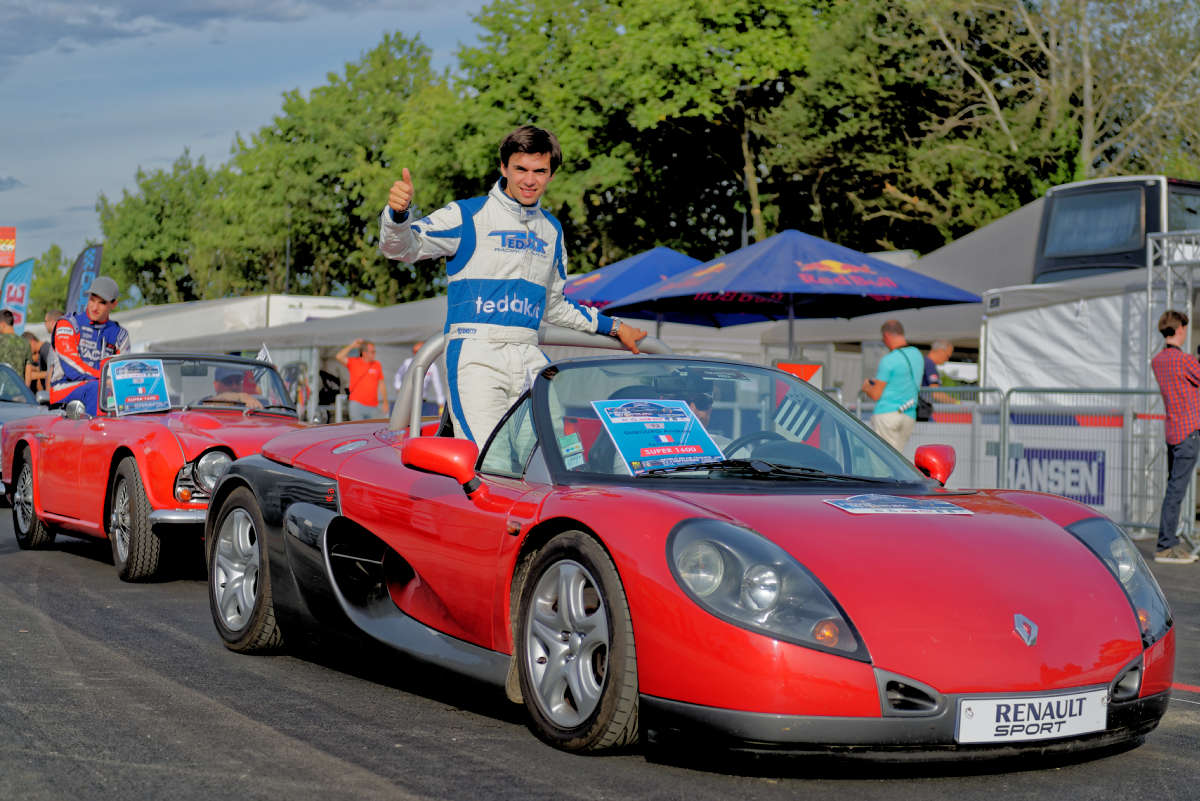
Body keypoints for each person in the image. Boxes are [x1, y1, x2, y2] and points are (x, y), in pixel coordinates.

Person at [379, 125, 647, 444]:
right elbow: (401, 249)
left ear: (551, 174)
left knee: (553, 454)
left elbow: (555, 306)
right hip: (476, 354)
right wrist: (398, 215)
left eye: (539, 171)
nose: (529, 180)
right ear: (503, 167)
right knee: (488, 459)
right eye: (520, 169)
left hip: (529, 355)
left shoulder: (552, 231)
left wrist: (614, 327)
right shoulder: (468, 214)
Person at [1149, 310, 1200, 564]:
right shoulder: (1185, 361)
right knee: (1176, 492)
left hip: (1173, 431)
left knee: (1173, 490)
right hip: (1189, 433)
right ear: (1179, 329)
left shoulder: (1158, 361)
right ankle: (1166, 544)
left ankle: (1168, 542)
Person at [49, 275, 130, 414]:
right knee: (97, 389)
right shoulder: (68, 324)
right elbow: (71, 367)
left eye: (102, 303)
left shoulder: (120, 335)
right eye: (92, 300)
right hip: (63, 389)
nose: (94, 307)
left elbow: (122, 372)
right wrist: (104, 380)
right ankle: (97, 428)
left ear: (113, 304)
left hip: (102, 391)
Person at [860, 319, 922, 452]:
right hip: (909, 414)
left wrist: (867, 387)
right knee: (898, 458)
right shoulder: (917, 355)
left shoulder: (888, 360)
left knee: (882, 458)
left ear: (886, 335)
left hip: (887, 414)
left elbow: (876, 394)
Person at [336, 338, 386, 420]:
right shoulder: (354, 362)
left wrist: (385, 402)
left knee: (373, 428)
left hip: (373, 406)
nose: (374, 354)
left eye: (374, 351)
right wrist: (352, 345)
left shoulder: (377, 364)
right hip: (357, 404)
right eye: (372, 352)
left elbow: (381, 383)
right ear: (364, 353)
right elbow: (339, 356)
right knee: (358, 427)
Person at [394, 340, 446, 418]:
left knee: (420, 421)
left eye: (418, 351)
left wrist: (441, 403)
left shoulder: (432, 367)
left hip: (422, 402)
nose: (415, 354)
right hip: (407, 401)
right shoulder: (407, 363)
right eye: (414, 351)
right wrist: (398, 387)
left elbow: (437, 385)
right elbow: (398, 375)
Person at [0, 310, 30, 382]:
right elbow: (28, 373)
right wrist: (24, 388)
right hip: (18, 387)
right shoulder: (25, 342)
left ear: (2, 324)